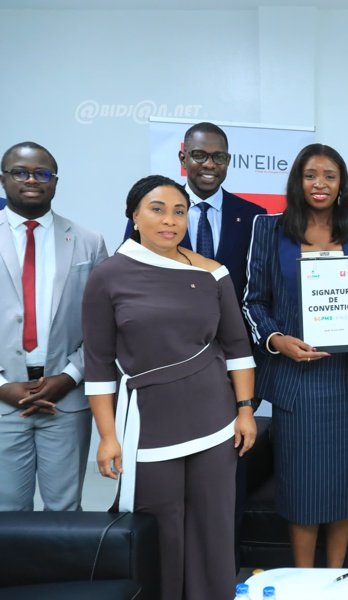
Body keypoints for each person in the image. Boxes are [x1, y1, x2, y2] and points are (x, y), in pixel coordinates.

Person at [83, 175, 256, 600]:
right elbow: (98, 364)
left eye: (179, 212)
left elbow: (237, 347)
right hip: (147, 426)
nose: (170, 220)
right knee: (159, 527)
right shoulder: (108, 276)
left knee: (213, 526)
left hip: (215, 421)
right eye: (157, 210)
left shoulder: (213, 272)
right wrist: (108, 436)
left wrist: (245, 410)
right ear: (134, 216)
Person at [243, 144, 348, 568]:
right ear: (297, 181)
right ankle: (305, 581)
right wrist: (276, 340)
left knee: (344, 484)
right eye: (310, 175)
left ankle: (334, 577)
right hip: (297, 379)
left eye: (329, 176)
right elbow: (252, 301)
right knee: (301, 486)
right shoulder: (269, 228)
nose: (319, 184)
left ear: (342, 184)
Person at [0, 141, 107, 511]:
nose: (32, 180)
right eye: (20, 172)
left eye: (42, 173)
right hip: (2, 400)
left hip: (65, 398)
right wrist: (2, 386)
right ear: (3, 179)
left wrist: (70, 376)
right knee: (6, 513)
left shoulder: (88, 242)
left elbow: (104, 325)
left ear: (55, 181)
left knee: (65, 514)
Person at [124, 121, 265, 300]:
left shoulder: (253, 216)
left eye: (219, 157)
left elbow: (262, 286)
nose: (209, 164)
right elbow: (127, 271)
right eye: (199, 155)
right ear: (183, 159)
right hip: (166, 314)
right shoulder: (150, 212)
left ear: (228, 161)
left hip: (232, 316)